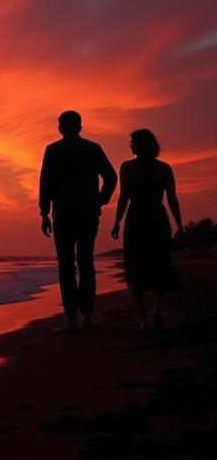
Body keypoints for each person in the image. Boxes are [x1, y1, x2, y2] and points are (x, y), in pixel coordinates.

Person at [39, 110, 117, 333]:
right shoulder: (93, 149)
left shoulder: (53, 150)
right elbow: (111, 176)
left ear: (60, 128)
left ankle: (71, 318)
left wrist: (44, 212)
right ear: (80, 127)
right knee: (86, 262)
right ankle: (88, 316)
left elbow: (46, 182)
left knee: (66, 265)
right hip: (88, 214)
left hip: (63, 214)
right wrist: (100, 199)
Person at [111, 128, 183, 332]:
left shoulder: (127, 167)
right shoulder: (165, 168)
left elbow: (123, 197)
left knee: (135, 268)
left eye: (132, 141)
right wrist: (180, 225)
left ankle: (144, 318)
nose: (130, 145)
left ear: (139, 144)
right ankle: (157, 310)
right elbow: (172, 200)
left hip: (136, 220)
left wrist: (117, 221)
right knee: (158, 265)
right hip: (158, 219)